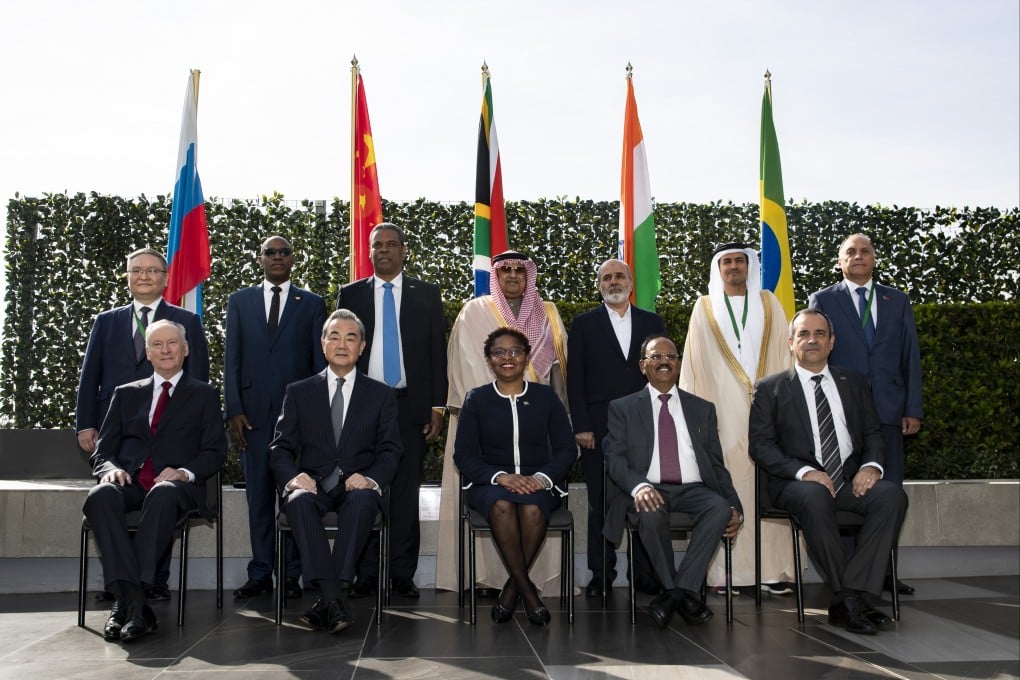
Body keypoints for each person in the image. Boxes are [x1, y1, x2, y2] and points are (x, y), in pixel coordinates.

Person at [749, 309, 908, 635]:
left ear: (831, 342)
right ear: (791, 342)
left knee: (891, 495)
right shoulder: (771, 388)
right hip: (796, 485)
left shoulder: (855, 383)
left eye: (820, 334)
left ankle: (850, 596)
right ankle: (852, 600)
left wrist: (872, 465)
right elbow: (761, 446)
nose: (812, 340)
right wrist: (805, 471)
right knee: (815, 495)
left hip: (849, 481)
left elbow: (874, 433)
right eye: (804, 334)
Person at [77, 246, 210, 602]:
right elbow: (90, 376)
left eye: (152, 270)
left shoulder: (187, 322)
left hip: (172, 435)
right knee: (114, 494)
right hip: (118, 431)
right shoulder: (107, 321)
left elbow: (197, 384)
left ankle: (148, 581)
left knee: (162, 496)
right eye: (137, 270)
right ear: (128, 276)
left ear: (166, 279)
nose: (144, 276)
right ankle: (129, 582)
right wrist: (87, 423)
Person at [82, 320, 227, 643]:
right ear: (147, 353)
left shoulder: (204, 395)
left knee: (162, 495)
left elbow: (215, 452)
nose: (165, 350)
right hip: (131, 482)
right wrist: (110, 469)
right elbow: (103, 452)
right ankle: (137, 605)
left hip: (177, 487)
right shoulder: (125, 394)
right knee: (100, 496)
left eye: (172, 343)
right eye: (157, 344)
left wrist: (183, 472)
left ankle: (127, 602)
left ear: (185, 350)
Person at [435, 250, 569, 594]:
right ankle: (490, 580)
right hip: (486, 432)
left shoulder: (547, 313)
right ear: (496, 275)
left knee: (533, 504)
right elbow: (465, 367)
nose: (512, 275)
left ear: (529, 275)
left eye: (519, 270)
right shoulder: (474, 311)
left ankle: (521, 585)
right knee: (498, 503)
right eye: (505, 270)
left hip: (538, 434)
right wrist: (498, 401)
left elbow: (556, 374)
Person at [269, 309, 401, 634]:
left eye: (351, 337)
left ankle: (327, 599)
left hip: (355, 484)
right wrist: (292, 476)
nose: (342, 344)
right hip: (312, 484)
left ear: (362, 346)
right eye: (334, 337)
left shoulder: (381, 394)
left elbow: (391, 450)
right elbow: (279, 448)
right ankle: (334, 598)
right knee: (297, 500)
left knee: (363, 501)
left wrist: (370, 477)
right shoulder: (299, 392)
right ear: (323, 343)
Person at [336, 222, 447, 599]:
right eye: (376, 245)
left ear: (403, 250)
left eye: (390, 244)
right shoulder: (349, 294)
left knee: (404, 492)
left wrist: (436, 407)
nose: (382, 250)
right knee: (364, 489)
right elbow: (340, 352)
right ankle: (365, 573)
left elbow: (436, 353)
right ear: (368, 251)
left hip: (408, 406)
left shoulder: (426, 294)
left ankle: (402, 573)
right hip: (362, 406)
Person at [808, 233, 922, 595]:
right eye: (850, 252)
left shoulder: (897, 300)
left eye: (865, 251)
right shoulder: (823, 299)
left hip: (889, 413)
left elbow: (910, 357)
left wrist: (912, 408)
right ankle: (846, 577)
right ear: (840, 261)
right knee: (844, 493)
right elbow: (814, 356)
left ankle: (884, 573)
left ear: (874, 258)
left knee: (887, 495)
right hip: (842, 416)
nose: (858, 256)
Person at [603, 334, 743, 628]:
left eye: (671, 356)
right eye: (656, 357)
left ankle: (674, 593)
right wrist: (639, 486)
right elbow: (614, 460)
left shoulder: (702, 409)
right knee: (649, 512)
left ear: (678, 364)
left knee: (719, 509)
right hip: (649, 488)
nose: (664, 361)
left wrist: (735, 506)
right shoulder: (623, 408)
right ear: (643, 366)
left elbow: (716, 465)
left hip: (695, 489)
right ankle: (683, 593)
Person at [679, 242, 795, 596]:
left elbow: (784, 354)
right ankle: (723, 574)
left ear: (749, 266)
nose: (733, 267)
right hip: (721, 412)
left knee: (768, 483)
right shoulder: (704, 307)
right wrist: (694, 420)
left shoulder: (769, 303)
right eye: (726, 261)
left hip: (767, 409)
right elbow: (694, 364)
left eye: (739, 261)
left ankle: (773, 571)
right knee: (727, 482)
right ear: (718, 268)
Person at [225, 235, 327, 600]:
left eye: (284, 252)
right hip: (250, 419)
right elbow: (231, 359)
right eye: (271, 252)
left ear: (293, 259)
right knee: (258, 498)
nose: (278, 257)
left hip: (297, 420)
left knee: (296, 495)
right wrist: (233, 409)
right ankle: (261, 572)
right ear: (260, 257)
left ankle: (291, 574)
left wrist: (317, 418)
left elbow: (319, 366)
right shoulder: (240, 301)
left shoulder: (312, 304)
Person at [454, 328, 576, 625]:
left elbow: (565, 449)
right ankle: (529, 594)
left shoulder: (546, 397)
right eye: (499, 352)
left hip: (539, 485)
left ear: (526, 356)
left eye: (515, 351)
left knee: (533, 508)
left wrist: (542, 478)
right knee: (502, 506)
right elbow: (464, 455)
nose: (507, 358)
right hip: (490, 486)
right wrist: (500, 477)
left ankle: (512, 590)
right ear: (489, 359)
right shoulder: (476, 400)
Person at [567, 258, 666, 598]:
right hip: (597, 427)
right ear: (599, 285)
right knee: (601, 503)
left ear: (631, 282)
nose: (613, 281)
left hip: (645, 426)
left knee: (645, 497)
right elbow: (574, 379)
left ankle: (645, 574)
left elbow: (663, 372)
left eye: (619, 275)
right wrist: (581, 425)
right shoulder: (583, 324)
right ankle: (601, 575)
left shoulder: (653, 322)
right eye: (606, 277)